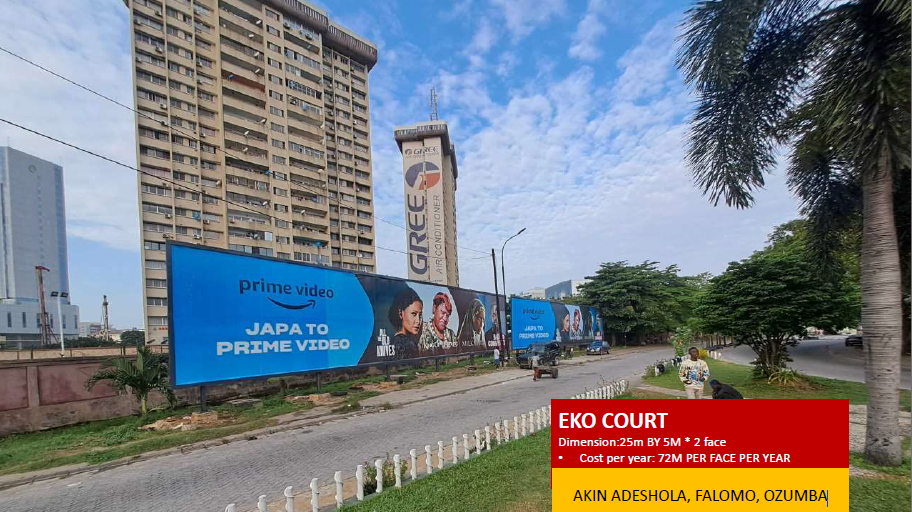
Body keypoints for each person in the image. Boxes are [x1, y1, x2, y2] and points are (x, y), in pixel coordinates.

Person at [387, 288, 422, 360]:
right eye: (414, 314)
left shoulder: (391, 342)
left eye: (420, 315)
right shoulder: (409, 345)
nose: (418, 321)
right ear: (400, 313)